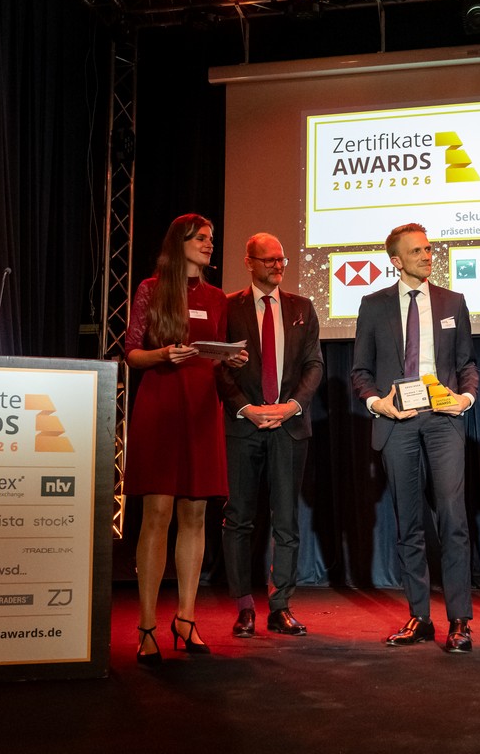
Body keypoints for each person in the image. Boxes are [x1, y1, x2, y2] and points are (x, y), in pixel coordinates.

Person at [124, 213, 247, 666]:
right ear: (180, 243)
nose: (209, 244)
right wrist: (162, 353)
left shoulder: (217, 297)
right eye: (201, 238)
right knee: (156, 513)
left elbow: (215, 349)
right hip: (161, 403)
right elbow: (131, 353)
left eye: (211, 238)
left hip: (201, 407)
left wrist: (230, 359)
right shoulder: (151, 289)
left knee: (195, 514)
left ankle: (186, 618)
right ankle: (146, 625)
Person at [350, 223, 478, 653]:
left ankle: (459, 621)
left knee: (453, 519)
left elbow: (467, 364)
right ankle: (420, 617)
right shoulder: (373, 305)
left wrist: (465, 398)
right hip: (398, 419)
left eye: (428, 249)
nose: (427, 256)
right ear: (396, 260)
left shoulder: (452, 302)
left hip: (443, 419)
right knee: (409, 522)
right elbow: (361, 372)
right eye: (417, 251)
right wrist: (377, 403)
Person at [216, 233, 323, 637]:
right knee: (239, 518)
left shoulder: (302, 307)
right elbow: (218, 366)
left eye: (282, 260)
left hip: (289, 427)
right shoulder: (229, 307)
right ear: (249, 262)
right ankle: (244, 607)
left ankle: (281, 606)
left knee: (287, 520)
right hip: (243, 425)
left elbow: (314, 365)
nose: (278, 266)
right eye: (269, 260)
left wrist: (291, 406)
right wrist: (246, 408)